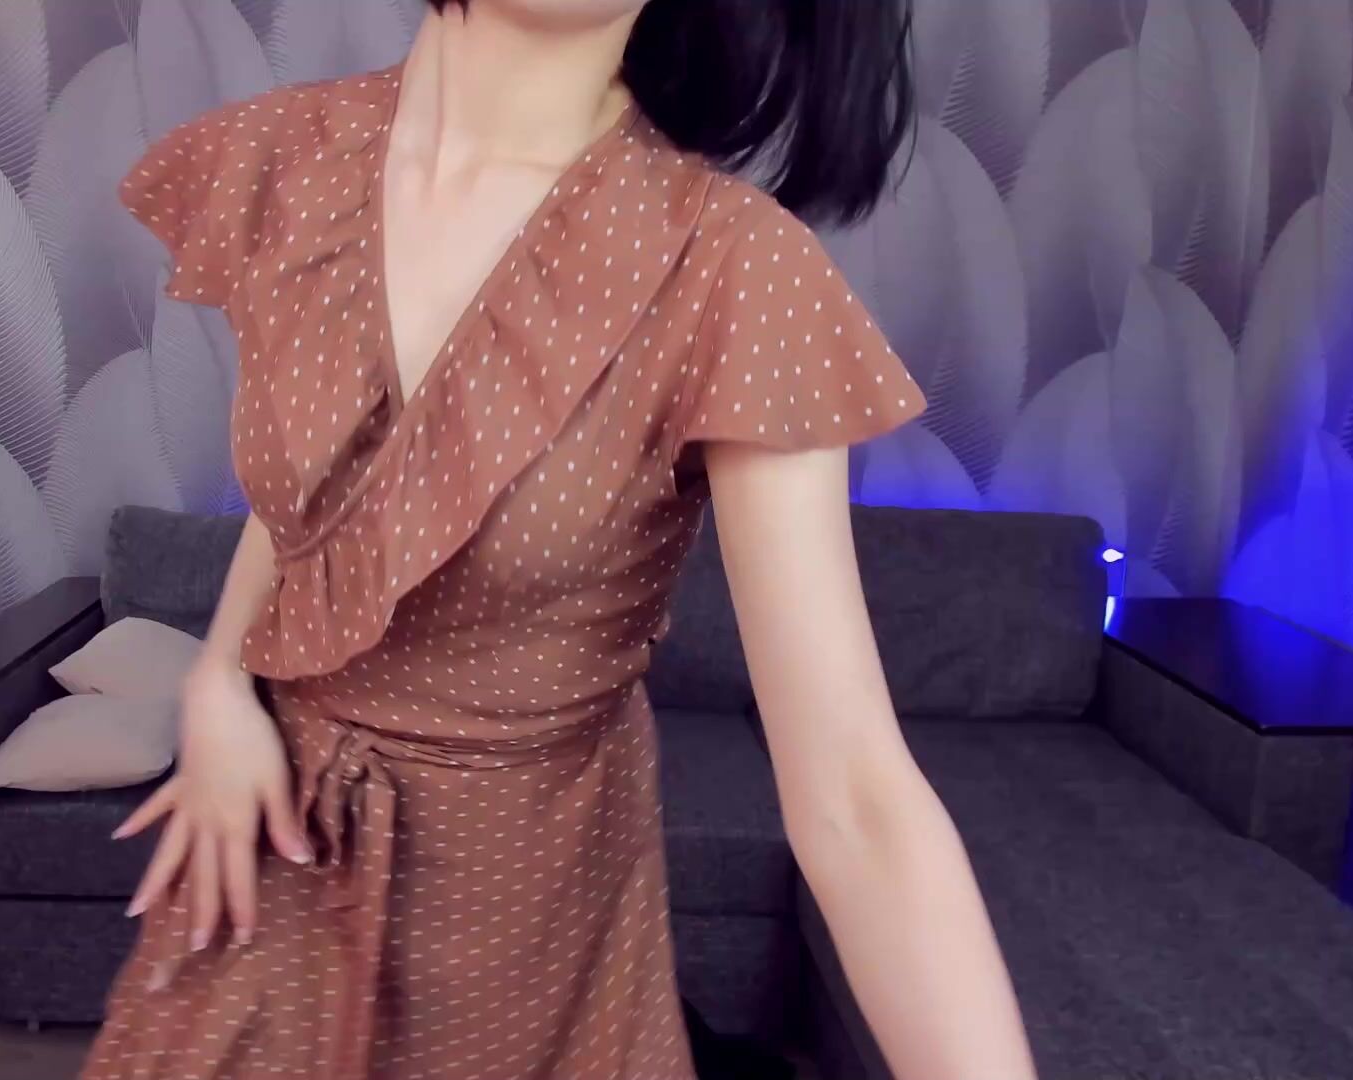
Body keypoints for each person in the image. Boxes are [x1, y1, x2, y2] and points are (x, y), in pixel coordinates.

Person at [84, 1, 1039, 1078]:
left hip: (519, 927)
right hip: (268, 851)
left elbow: (858, 799)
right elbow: (326, 500)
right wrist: (220, 681)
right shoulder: (286, 159)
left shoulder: (734, 267)